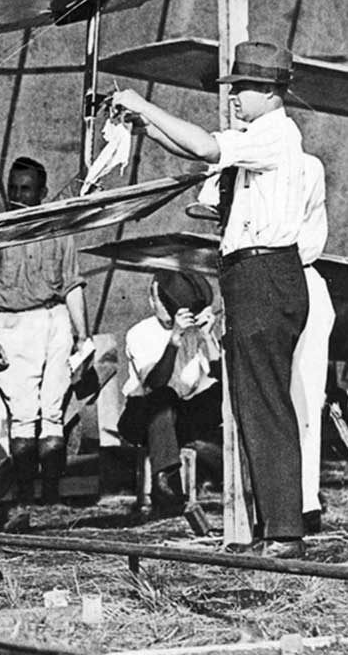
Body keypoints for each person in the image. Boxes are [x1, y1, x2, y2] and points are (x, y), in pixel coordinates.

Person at [112, 40, 311, 558]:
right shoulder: (259, 136)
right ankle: (275, 527)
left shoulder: (273, 135)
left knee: (264, 403)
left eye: (243, 88)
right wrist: (143, 126)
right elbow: (195, 146)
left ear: (269, 91)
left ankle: (285, 531)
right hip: (253, 276)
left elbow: (203, 148)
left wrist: (143, 105)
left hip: (265, 274)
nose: (234, 98)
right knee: (251, 402)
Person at [0, 157, 89, 509]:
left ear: (42, 192)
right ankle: (25, 497)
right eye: (13, 189)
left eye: (26, 189)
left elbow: (72, 285)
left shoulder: (58, 230)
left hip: (54, 321)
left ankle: (50, 498)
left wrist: (82, 336)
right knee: (23, 415)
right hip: (12, 325)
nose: (18, 196)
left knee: (52, 411)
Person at [118, 270, 223, 512]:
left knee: (224, 393)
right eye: (161, 301)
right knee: (164, 395)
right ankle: (166, 479)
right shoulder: (139, 333)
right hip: (141, 417)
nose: (167, 307)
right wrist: (174, 338)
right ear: (151, 301)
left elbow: (220, 376)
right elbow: (155, 382)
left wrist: (207, 338)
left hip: (180, 413)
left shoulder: (194, 331)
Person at [292, 153, 333, 533]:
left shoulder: (307, 165)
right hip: (271, 283)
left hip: (299, 279)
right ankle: (289, 500)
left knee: (306, 397)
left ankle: (304, 500)